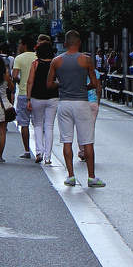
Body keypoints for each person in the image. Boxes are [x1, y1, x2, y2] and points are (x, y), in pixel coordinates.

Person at [47, 31, 106, 188]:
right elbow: (94, 83)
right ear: (79, 43)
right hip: (81, 102)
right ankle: (91, 177)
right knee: (87, 141)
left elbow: (49, 84)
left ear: (65, 43)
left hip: (64, 103)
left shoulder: (56, 61)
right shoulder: (86, 60)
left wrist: (62, 84)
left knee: (67, 140)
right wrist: (82, 87)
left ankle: (70, 176)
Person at [26, 37, 59, 165]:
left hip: (37, 97)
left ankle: (39, 151)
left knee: (38, 125)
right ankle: (48, 157)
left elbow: (30, 81)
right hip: (52, 97)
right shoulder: (55, 63)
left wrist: (28, 98)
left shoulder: (35, 63)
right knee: (49, 126)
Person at [12, 39, 37, 159]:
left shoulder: (19, 58)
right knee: (39, 124)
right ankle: (40, 150)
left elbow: (14, 76)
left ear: (25, 45)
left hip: (23, 93)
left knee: (24, 124)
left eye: (20, 44)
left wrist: (21, 82)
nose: (19, 46)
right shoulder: (38, 56)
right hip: (38, 94)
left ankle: (27, 150)